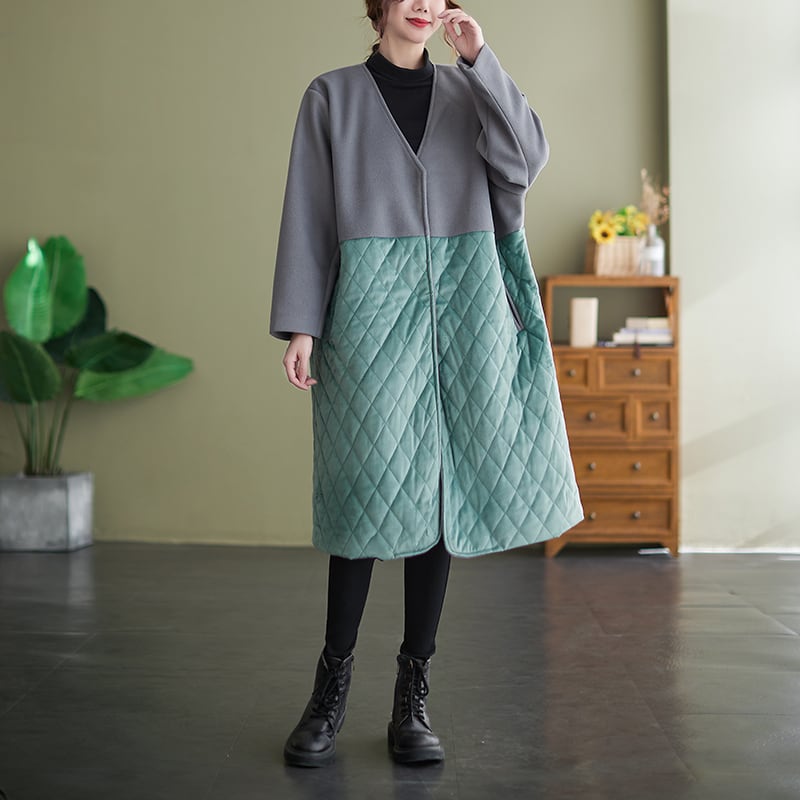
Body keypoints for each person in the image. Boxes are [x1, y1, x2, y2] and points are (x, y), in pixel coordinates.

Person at [269, 0, 582, 768]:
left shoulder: (471, 90)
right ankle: (330, 688)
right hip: (369, 312)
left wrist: (481, 60)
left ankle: (413, 696)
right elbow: (308, 214)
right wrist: (303, 324)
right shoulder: (331, 97)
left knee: (442, 497)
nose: (424, 2)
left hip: (468, 306)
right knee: (366, 493)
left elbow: (526, 160)